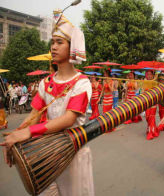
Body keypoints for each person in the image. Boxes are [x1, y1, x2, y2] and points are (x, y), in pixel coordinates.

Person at [1, 9, 94, 196]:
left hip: (73, 153)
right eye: (52, 42)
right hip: (49, 153)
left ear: (72, 46)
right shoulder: (46, 82)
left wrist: (28, 132)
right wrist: (16, 138)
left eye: (59, 42)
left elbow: (68, 120)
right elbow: (34, 115)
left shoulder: (82, 82)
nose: (53, 47)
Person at [144, 70, 159, 140]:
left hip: (153, 102)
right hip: (147, 102)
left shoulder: (155, 82)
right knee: (147, 116)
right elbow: (143, 92)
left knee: (151, 117)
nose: (149, 76)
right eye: (148, 74)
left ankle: (151, 132)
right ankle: (153, 128)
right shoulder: (145, 82)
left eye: (150, 74)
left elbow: (157, 93)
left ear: (153, 75)